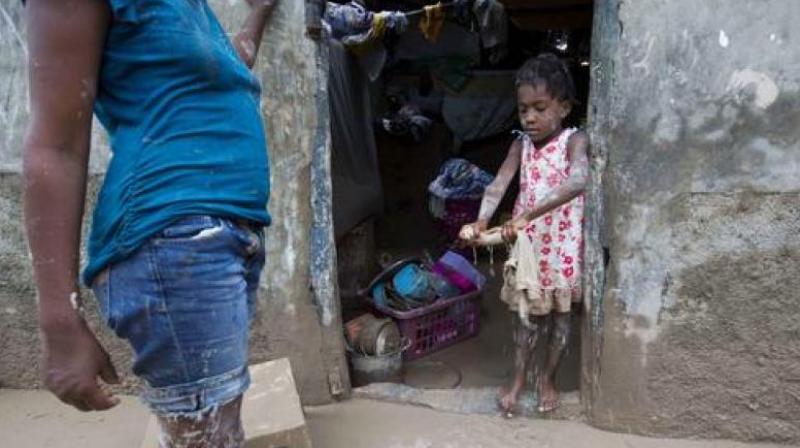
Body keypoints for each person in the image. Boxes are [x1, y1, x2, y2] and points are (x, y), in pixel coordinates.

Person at [22, 0, 278, 445]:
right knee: (208, 438)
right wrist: (60, 321)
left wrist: (257, 14)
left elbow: (226, 69)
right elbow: (55, 146)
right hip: (176, 241)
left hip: (217, 237)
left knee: (215, 434)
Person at [461, 53, 589, 416]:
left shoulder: (574, 140)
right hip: (529, 248)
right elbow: (497, 185)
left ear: (563, 107)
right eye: (523, 110)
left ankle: (547, 378)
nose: (529, 117)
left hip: (562, 248)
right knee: (524, 318)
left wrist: (529, 214)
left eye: (540, 107)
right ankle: (518, 378)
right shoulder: (521, 144)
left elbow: (580, 179)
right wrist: (481, 222)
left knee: (560, 322)